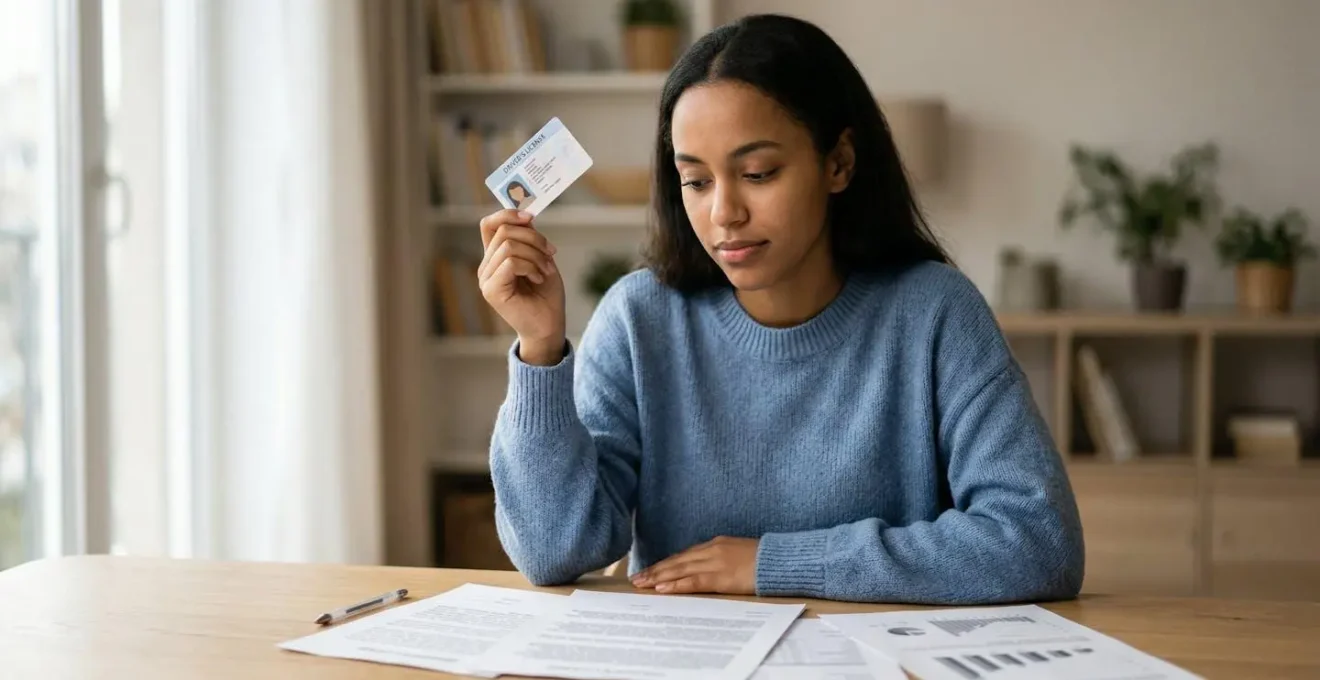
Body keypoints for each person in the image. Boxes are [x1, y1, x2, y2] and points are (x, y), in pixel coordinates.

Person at [474, 13, 1084, 605]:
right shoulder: (640, 318)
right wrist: (540, 347)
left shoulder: (935, 313)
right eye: (697, 181)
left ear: (838, 163)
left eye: (758, 172)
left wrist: (774, 562)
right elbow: (553, 550)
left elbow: (1037, 541)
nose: (724, 213)